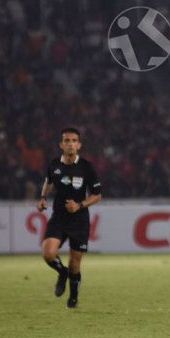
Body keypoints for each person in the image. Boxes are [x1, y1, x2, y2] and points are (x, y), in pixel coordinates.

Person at [37, 128, 102, 309]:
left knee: (75, 263)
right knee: (48, 253)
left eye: (74, 140)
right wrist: (43, 198)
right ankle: (62, 272)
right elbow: (48, 182)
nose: (70, 143)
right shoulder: (54, 165)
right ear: (61, 144)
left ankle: (73, 299)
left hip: (79, 221)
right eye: (67, 140)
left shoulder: (86, 167)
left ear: (79, 145)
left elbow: (97, 195)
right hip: (58, 218)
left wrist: (79, 205)